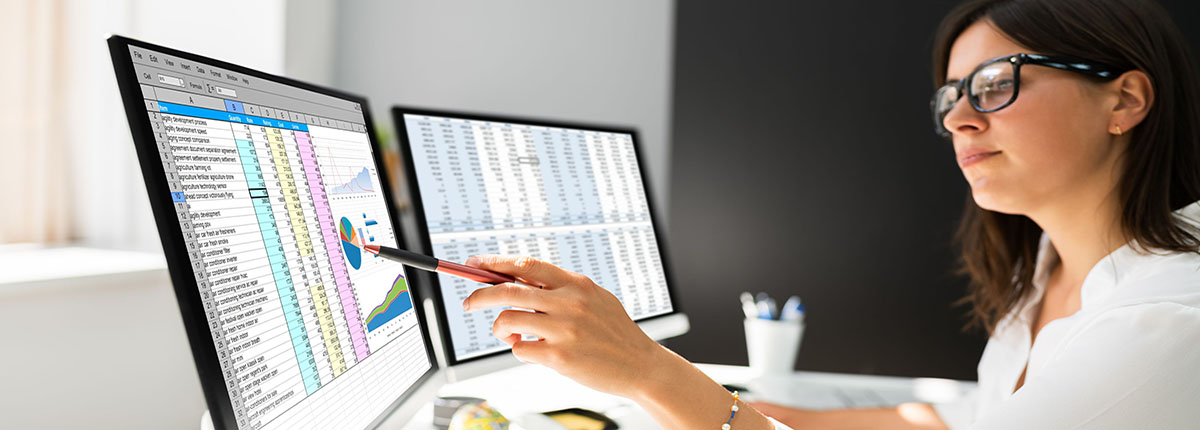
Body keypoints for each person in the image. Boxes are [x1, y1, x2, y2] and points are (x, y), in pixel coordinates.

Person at [459, 0, 1200, 428]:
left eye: (996, 84)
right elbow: (958, 424)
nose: (960, 121)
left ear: (1125, 100)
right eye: (951, 97)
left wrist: (648, 373)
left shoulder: (1162, 327)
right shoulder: (1051, 267)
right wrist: (736, 403)